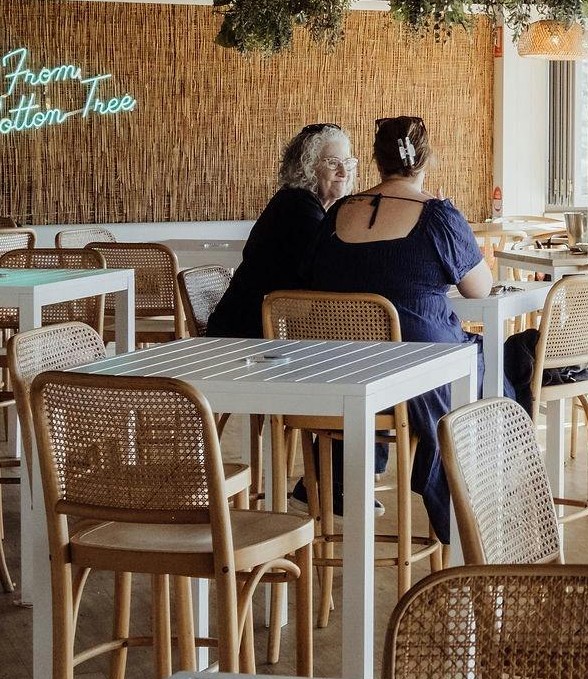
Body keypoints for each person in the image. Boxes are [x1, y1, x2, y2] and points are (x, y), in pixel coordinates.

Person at [307, 116, 492, 533]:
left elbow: (311, 282)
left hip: (343, 377)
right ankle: (478, 513)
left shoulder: (336, 215)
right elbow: (481, 289)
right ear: (425, 159)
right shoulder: (438, 216)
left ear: (375, 160)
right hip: (421, 377)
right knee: (494, 364)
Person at [207, 123, 357, 340]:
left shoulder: (299, 203)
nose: (343, 172)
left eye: (347, 163)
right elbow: (330, 271)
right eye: (333, 163)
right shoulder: (297, 209)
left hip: (266, 331)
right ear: (306, 167)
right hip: (247, 340)